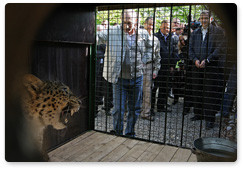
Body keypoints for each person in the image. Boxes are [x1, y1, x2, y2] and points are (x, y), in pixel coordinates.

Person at [97, 9, 145, 137]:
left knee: (134, 109)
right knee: (118, 109)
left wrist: (144, 61)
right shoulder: (113, 32)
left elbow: (150, 48)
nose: (126, 26)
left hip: (137, 77)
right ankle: (117, 132)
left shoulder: (143, 34)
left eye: (129, 22)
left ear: (136, 21)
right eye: (124, 22)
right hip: (119, 78)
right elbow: (98, 37)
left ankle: (130, 132)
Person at [189, 10, 225, 129]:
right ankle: (198, 114)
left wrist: (208, 60)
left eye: (206, 18)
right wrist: (195, 60)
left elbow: (220, 48)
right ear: (199, 19)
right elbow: (190, 49)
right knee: (197, 90)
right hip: (196, 66)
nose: (203, 20)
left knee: (209, 92)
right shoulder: (195, 33)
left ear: (210, 19)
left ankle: (210, 119)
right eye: (202, 18)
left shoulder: (217, 32)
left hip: (210, 67)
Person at [152, 20, 178, 113]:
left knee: (164, 88)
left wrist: (172, 65)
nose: (166, 29)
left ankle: (161, 106)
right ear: (160, 27)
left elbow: (175, 52)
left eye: (167, 28)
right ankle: (151, 108)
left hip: (167, 67)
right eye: (164, 27)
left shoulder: (173, 38)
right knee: (153, 88)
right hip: (157, 66)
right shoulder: (155, 37)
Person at [140, 17, 161, 121]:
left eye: (152, 25)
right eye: (149, 24)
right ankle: (129, 113)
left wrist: (156, 69)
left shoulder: (156, 39)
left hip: (149, 66)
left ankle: (146, 113)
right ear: (144, 24)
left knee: (147, 91)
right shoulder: (137, 37)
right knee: (134, 90)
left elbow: (157, 56)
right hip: (137, 66)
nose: (151, 27)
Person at [96, 20, 113, 116]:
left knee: (108, 90)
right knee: (98, 88)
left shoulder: (110, 43)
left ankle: (107, 108)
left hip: (107, 69)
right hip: (99, 70)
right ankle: (97, 109)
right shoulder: (98, 47)